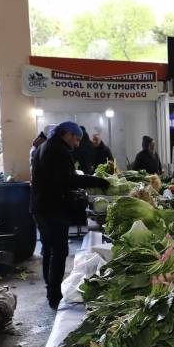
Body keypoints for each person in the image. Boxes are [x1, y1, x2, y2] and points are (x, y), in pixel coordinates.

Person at [30, 120, 110, 309]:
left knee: (48, 249)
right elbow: (68, 180)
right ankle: (55, 296)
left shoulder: (44, 147)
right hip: (52, 208)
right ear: (68, 134)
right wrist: (96, 180)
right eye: (77, 139)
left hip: (39, 206)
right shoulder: (58, 150)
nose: (78, 144)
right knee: (59, 251)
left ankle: (51, 289)